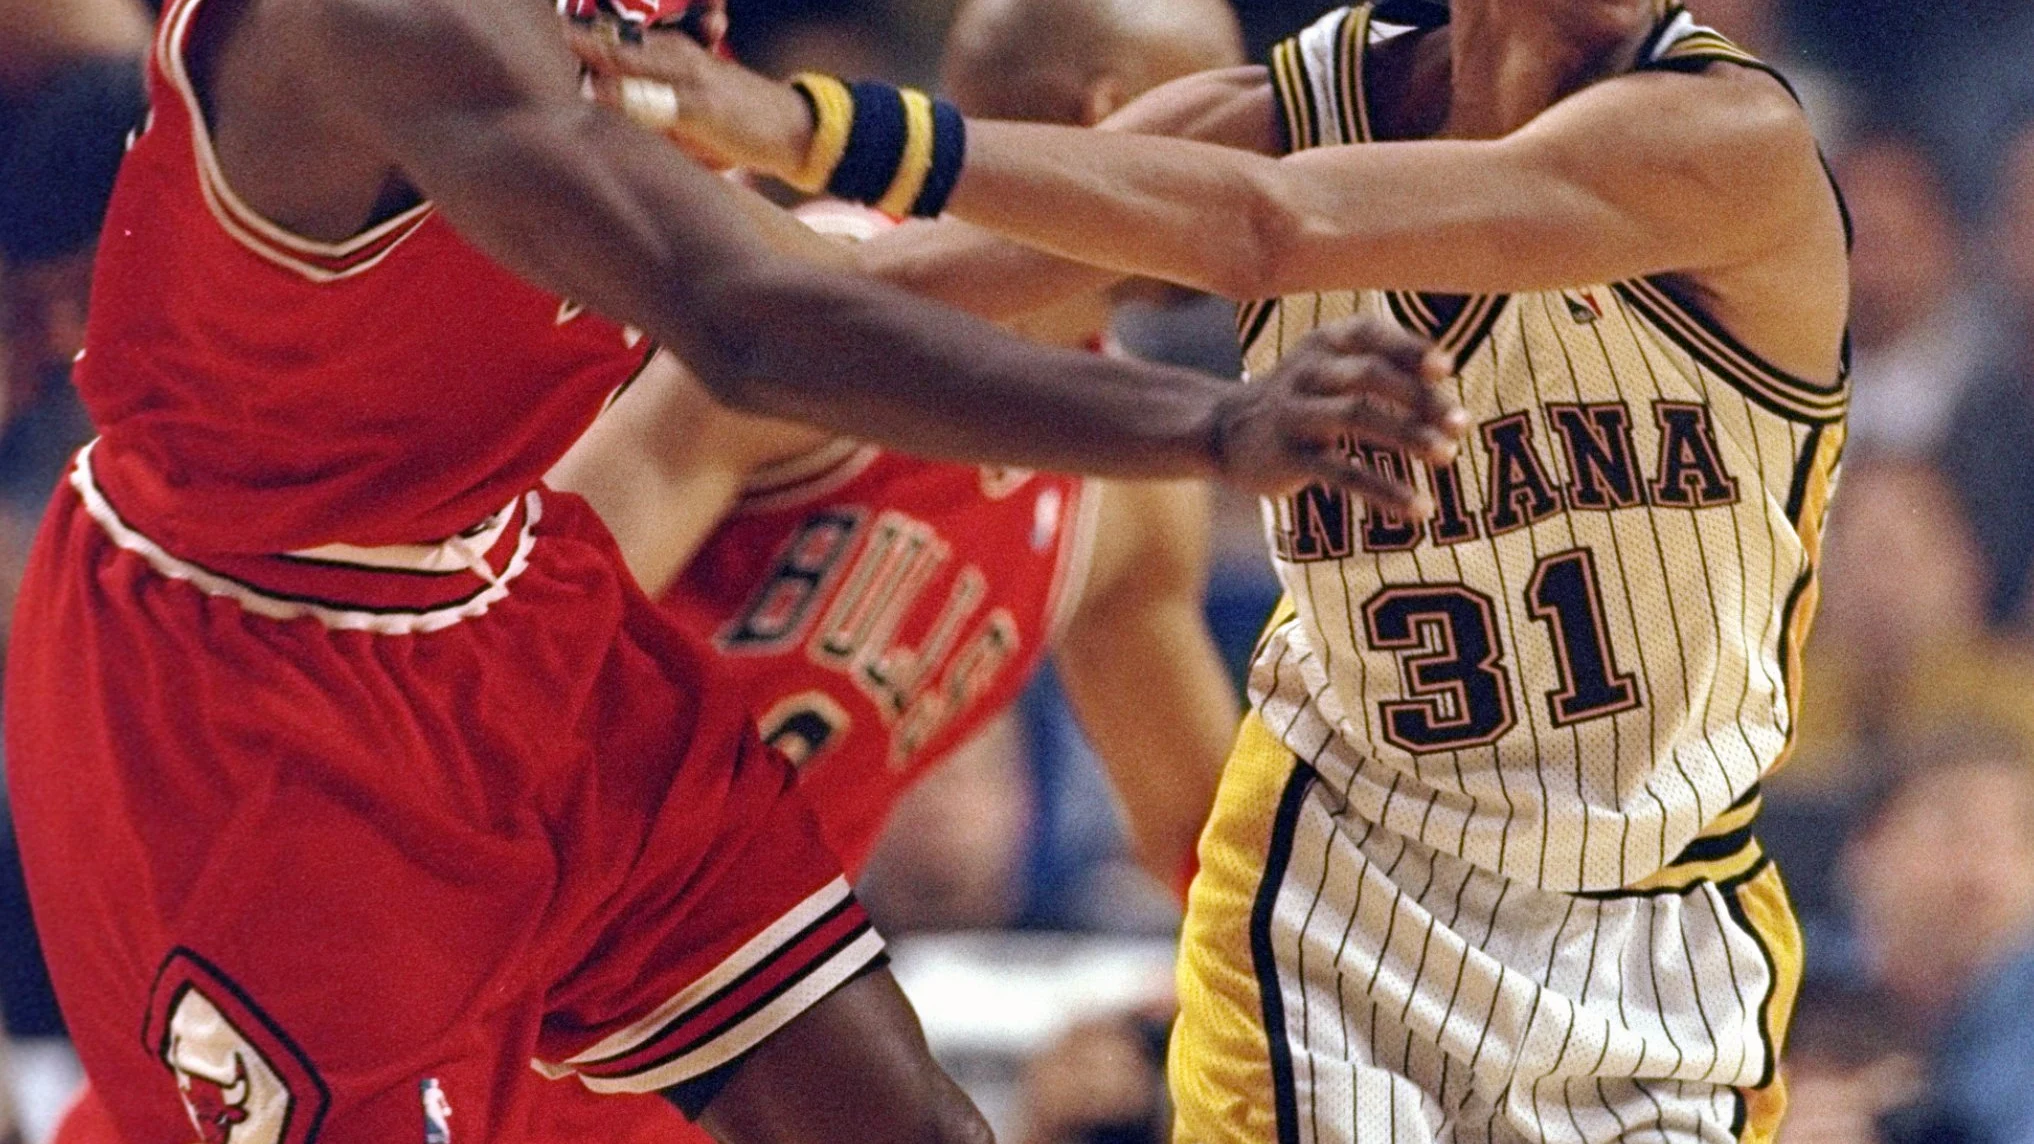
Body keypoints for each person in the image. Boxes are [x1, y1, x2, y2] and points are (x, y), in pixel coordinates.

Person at [0, 0, 1469, 1138]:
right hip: (251, 671)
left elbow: (1203, 831)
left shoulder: (1094, 497)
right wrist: (1214, 423)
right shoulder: (397, 24)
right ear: (1109, 114)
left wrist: (1413, 984)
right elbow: (756, 316)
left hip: (499, 606)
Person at [575, 0, 1851, 1139]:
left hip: (1655, 918)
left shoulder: (1729, 139)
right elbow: (884, 288)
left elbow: (1268, 229)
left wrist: (798, 126)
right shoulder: (1279, 107)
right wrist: (602, 151)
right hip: (1339, 891)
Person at [1842, 727, 2034, 1144]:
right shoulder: (1767, 985)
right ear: (1866, 846)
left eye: (2016, 832)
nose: (1987, 861)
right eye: (1953, 823)